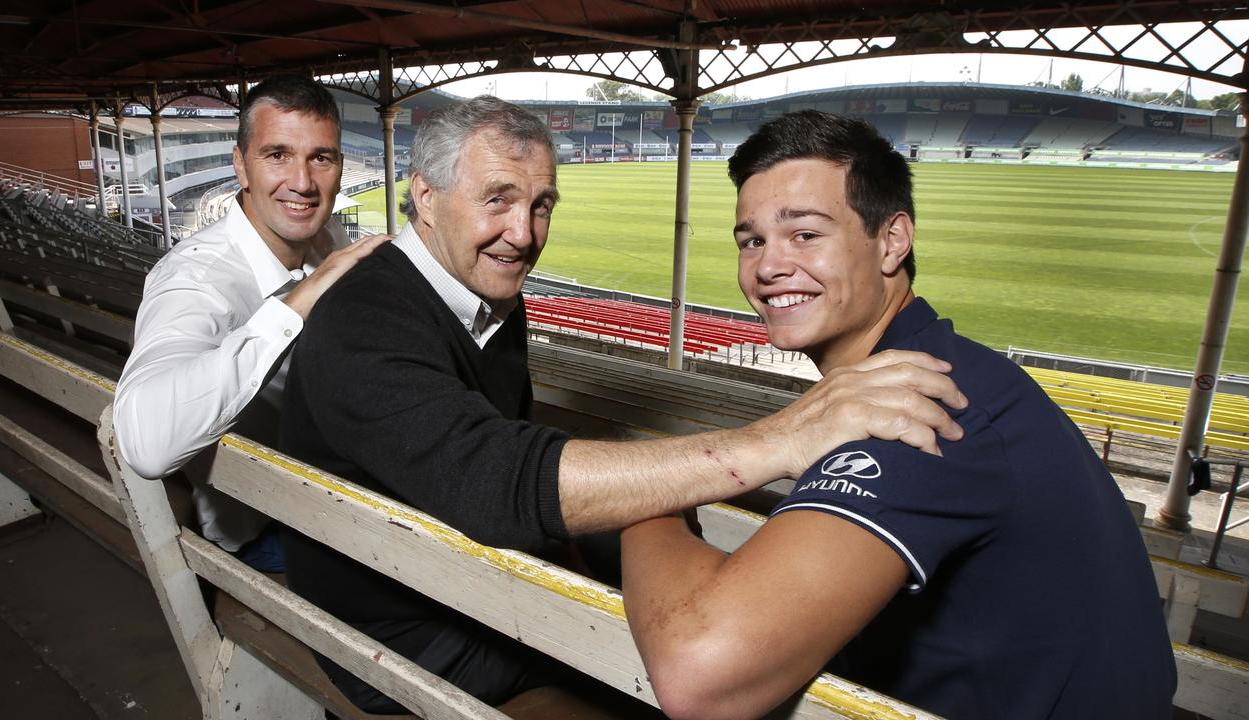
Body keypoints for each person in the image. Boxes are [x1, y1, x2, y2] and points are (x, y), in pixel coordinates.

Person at [279, 96, 970, 713]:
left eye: (542, 203)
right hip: (404, 635)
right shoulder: (365, 321)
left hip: (446, 582)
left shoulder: (484, 293)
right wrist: (779, 439)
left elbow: (505, 466)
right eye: (497, 199)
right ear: (425, 198)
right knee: (692, 660)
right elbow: (495, 482)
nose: (523, 233)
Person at [620, 110, 1176, 720]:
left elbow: (699, 678)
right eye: (751, 240)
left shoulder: (919, 406)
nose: (767, 266)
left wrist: (652, 497)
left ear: (892, 240)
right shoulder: (940, 370)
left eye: (805, 234)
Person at [113, 74, 388, 570]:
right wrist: (295, 304)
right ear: (241, 165)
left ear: (339, 167)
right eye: (277, 155)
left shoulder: (325, 233)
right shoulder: (195, 280)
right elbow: (144, 444)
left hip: (330, 485)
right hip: (270, 528)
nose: (302, 182)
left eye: (320, 158)